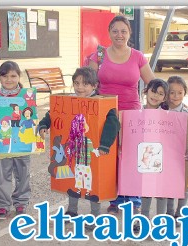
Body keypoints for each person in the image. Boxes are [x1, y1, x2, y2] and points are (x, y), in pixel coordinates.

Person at [87, 15, 155, 215]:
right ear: (109, 33)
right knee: (110, 156)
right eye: (115, 31)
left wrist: (172, 98)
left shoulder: (137, 56)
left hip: (132, 113)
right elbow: (88, 83)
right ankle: (115, 198)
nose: (119, 35)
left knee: (131, 157)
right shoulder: (98, 56)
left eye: (123, 31)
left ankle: (133, 199)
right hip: (105, 115)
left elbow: (152, 83)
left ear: (129, 33)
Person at [38, 67, 120, 229]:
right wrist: (44, 125)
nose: (80, 87)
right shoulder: (69, 101)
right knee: (73, 182)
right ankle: (72, 211)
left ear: (94, 86)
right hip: (74, 153)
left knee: (92, 184)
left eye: (85, 84)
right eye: (76, 83)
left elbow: (113, 123)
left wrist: (104, 144)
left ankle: (95, 216)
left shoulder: (102, 103)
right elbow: (53, 114)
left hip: (91, 155)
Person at [0, 61, 33, 219]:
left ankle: (21, 202)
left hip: (22, 142)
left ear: (19, 76)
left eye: (13, 76)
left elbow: (32, 118)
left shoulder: (27, 96)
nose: (9, 79)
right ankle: (2, 204)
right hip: (2, 143)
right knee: (1, 173)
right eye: (5, 76)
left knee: (23, 173)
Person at [137, 78, 171, 219]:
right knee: (146, 190)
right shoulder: (136, 113)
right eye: (153, 91)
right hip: (143, 158)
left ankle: (160, 220)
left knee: (161, 191)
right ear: (146, 91)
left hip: (161, 158)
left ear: (164, 98)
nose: (155, 96)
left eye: (160, 94)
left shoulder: (168, 117)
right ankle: (143, 218)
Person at [163, 76, 188, 225]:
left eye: (179, 93)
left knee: (183, 186)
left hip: (184, 155)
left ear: (185, 93)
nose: (175, 96)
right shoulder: (160, 111)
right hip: (166, 155)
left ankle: (179, 213)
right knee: (169, 184)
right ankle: (169, 212)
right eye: (172, 92)